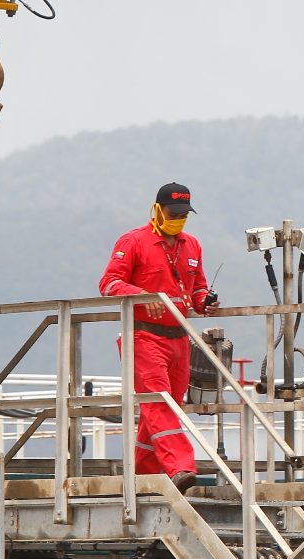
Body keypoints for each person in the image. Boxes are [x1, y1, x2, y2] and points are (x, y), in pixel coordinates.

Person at [99, 182, 220, 493]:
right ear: (157, 210)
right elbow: (109, 283)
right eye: (173, 213)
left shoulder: (192, 245)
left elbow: (197, 289)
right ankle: (181, 467)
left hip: (180, 340)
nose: (178, 219)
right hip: (144, 338)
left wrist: (205, 302)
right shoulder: (133, 241)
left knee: (163, 412)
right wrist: (141, 294)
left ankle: (144, 478)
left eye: (184, 215)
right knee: (160, 405)